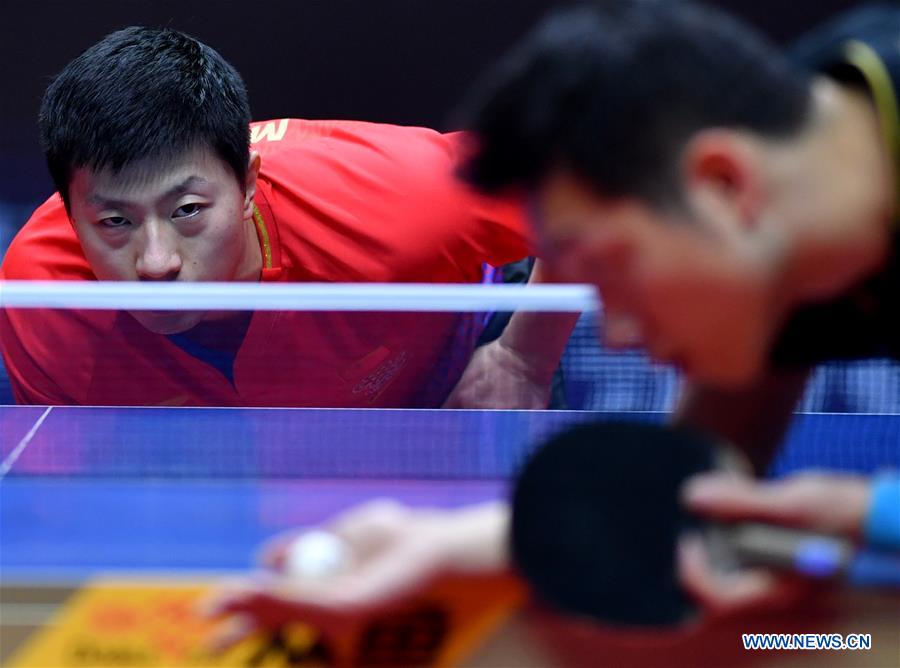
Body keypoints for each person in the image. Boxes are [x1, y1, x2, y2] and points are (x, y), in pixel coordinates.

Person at [205, 0, 899, 639]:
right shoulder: (791, 209)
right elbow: (690, 490)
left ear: (722, 184)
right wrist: (442, 543)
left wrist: (870, 513)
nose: (619, 334)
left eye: (612, 269)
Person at [0, 26, 575, 408]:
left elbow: (591, 190)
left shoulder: (398, 191)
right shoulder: (37, 298)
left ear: (248, 183)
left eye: (188, 211)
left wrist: (524, 357)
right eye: (114, 224)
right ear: (71, 215)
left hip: (456, 373)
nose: (157, 263)